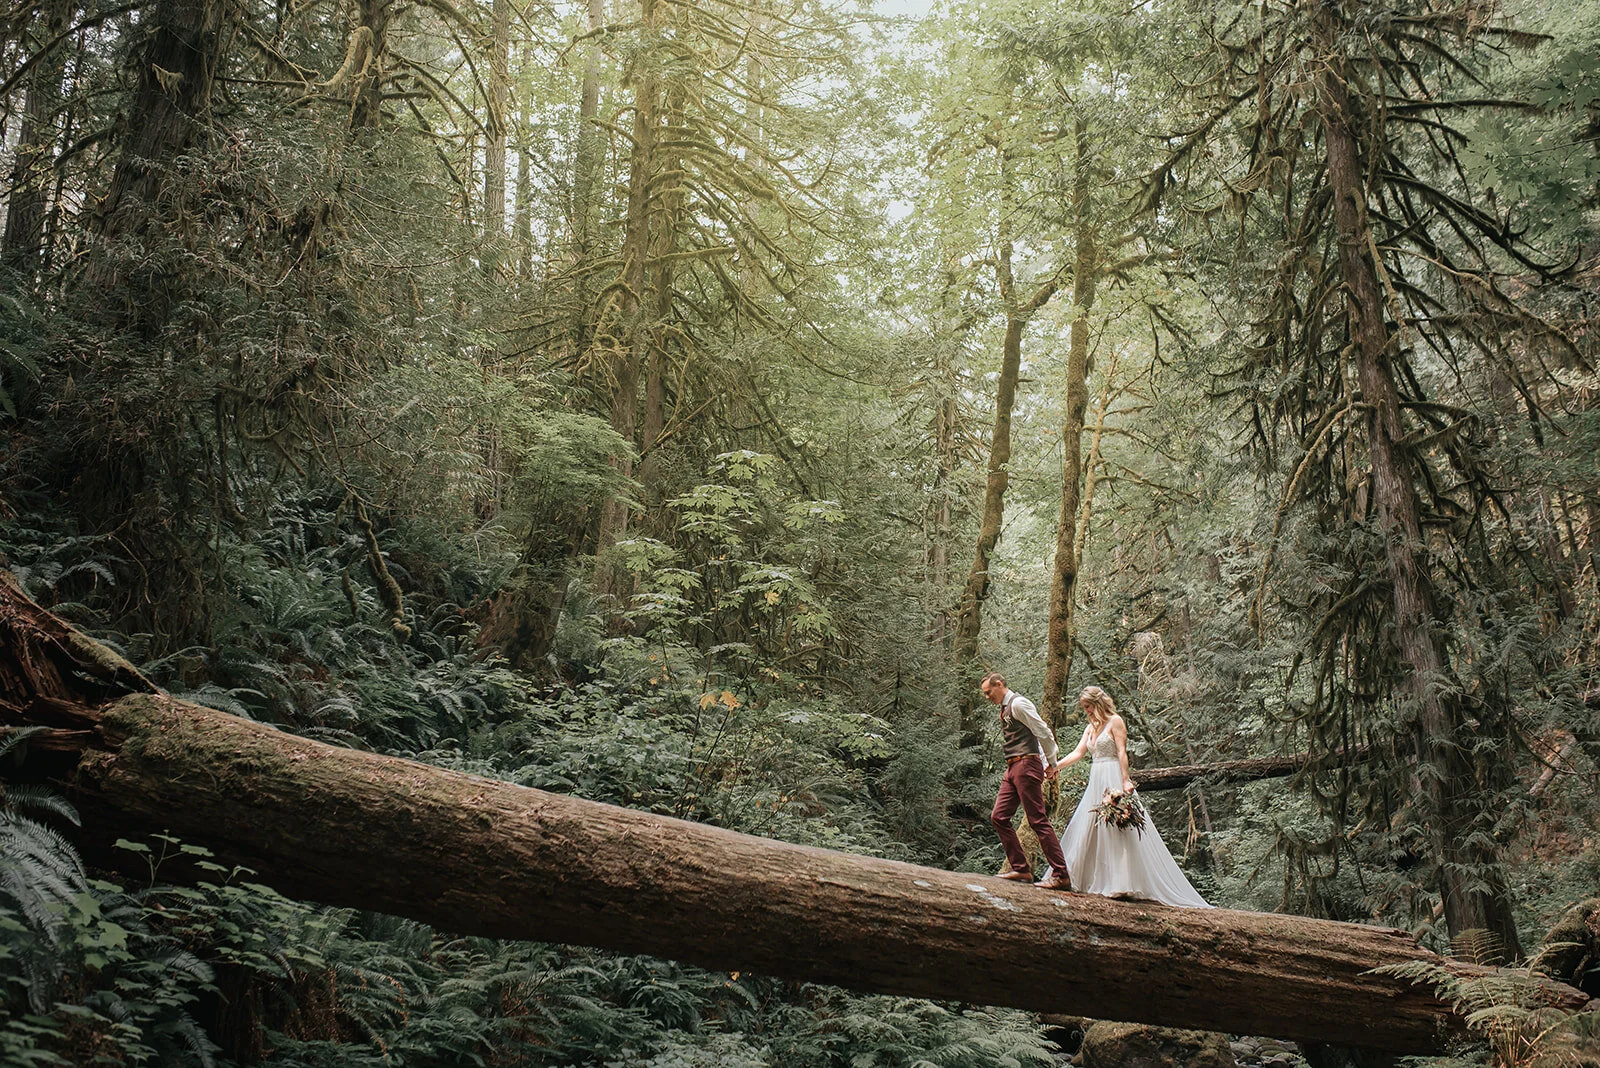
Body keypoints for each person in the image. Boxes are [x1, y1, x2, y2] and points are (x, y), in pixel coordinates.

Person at [1050, 685, 1212, 908]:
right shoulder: (1090, 728)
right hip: (1096, 778)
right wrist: (1056, 766)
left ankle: (1121, 883)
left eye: (1087, 707)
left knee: (1118, 829)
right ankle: (1084, 878)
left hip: (1113, 776)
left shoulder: (1115, 721)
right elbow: (1079, 753)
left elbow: (1121, 752)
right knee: (1089, 826)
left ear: (1097, 704)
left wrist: (1125, 780)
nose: (1085, 711)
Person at [981, 673, 1070, 890]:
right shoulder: (1006, 708)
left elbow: (1043, 732)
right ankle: (1021, 869)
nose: (987, 697)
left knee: (1037, 819)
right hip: (1013, 766)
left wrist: (1051, 763)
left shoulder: (1019, 704)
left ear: (999, 684)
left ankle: (1061, 875)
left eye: (988, 692)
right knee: (999, 817)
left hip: (1025, 765)